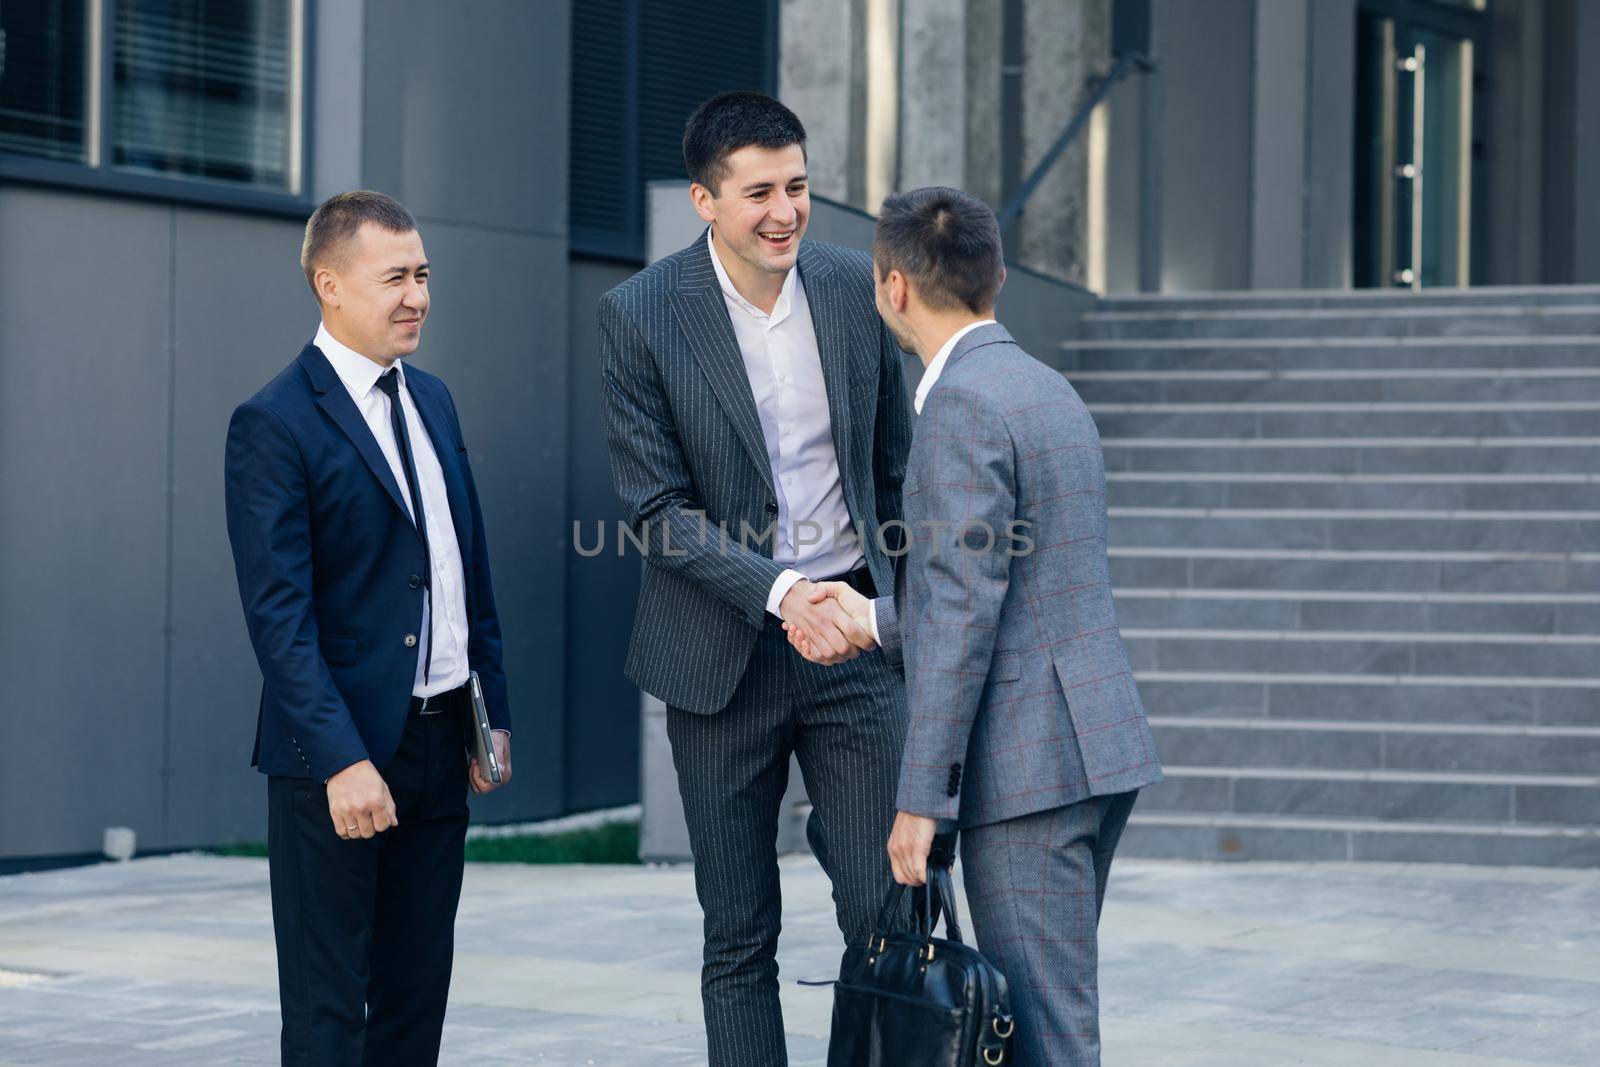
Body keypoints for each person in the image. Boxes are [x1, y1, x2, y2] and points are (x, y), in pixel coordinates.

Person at [789, 186, 1163, 1066]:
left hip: (1027, 769)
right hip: (1088, 747)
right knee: (1046, 1018)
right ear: (995, 275)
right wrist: (878, 618)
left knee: (1044, 1036)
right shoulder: (1043, 387)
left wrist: (922, 799)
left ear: (892, 290)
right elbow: (1005, 586)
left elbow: (963, 612)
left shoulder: (958, 406)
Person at [598, 91, 913, 1065]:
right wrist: (783, 593)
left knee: (885, 909)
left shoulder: (854, 287)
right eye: (757, 193)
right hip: (720, 654)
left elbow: (896, 467)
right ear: (703, 199)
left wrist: (895, 615)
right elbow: (656, 509)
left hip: (853, 644)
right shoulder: (641, 314)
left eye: (798, 187)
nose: (783, 211)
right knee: (739, 932)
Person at [224, 190, 512, 1067]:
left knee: (415, 1000)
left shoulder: (434, 400)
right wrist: (345, 761)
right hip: (337, 760)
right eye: (395, 278)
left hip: (437, 747)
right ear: (330, 285)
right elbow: (280, 618)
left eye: (423, 275)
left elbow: (468, 569)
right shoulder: (273, 423)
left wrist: (487, 715)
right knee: (326, 1012)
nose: (417, 295)